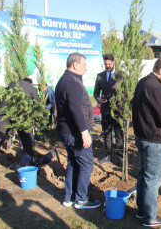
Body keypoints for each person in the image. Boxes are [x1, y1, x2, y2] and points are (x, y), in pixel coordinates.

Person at [132, 56, 161, 227]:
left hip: (142, 137)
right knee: (153, 180)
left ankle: (142, 211)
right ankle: (150, 216)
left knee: (143, 175)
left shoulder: (142, 83)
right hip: (155, 140)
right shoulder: (157, 88)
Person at [55, 52, 101, 209]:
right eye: (84, 65)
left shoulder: (64, 79)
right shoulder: (72, 82)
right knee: (86, 164)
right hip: (74, 132)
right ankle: (82, 199)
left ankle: (69, 198)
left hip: (66, 130)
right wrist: (84, 132)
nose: (86, 69)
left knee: (74, 163)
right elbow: (74, 108)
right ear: (75, 65)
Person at [0, 78, 41, 172]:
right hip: (20, 115)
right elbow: (38, 104)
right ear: (30, 83)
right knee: (26, 139)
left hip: (4, 113)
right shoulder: (32, 88)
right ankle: (30, 164)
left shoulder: (11, 83)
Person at [93, 54, 123, 165]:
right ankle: (108, 155)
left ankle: (120, 157)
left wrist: (117, 99)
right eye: (106, 64)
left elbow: (125, 93)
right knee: (107, 133)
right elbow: (96, 92)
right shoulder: (100, 76)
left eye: (109, 63)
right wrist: (98, 98)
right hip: (105, 109)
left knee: (119, 134)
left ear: (114, 62)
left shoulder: (121, 75)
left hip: (118, 110)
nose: (108, 66)